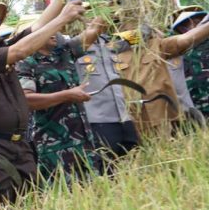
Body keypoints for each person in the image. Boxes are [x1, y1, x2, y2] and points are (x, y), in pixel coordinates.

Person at [0, 0, 87, 202]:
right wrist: (64, 18)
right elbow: (21, 51)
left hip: (20, 144)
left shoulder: (1, 47)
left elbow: (38, 26)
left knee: (35, 205)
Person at [16, 25, 99, 181]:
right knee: (66, 199)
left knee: (95, 195)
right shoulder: (26, 63)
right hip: (54, 147)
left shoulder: (65, 53)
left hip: (84, 142)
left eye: (54, 29)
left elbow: (93, 31)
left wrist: (103, 8)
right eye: (47, 30)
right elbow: (27, 100)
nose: (54, 33)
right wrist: (67, 95)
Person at [114, 9, 209, 134]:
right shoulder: (108, 53)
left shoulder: (158, 45)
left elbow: (187, 39)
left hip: (168, 119)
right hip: (136, 124)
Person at [76, 15, 141, 160]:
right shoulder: (73, 45)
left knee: (134, 161)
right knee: (106, 166)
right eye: (86, 15)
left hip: (123, 116)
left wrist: (154, 3)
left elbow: (143, 34)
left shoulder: (112, 42)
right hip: (98, 121)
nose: (93, 18)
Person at [174, 6, 209, 119]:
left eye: (196, 22)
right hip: (196, 108)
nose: (192, 26)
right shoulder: (178, 50)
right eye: (185, 26)